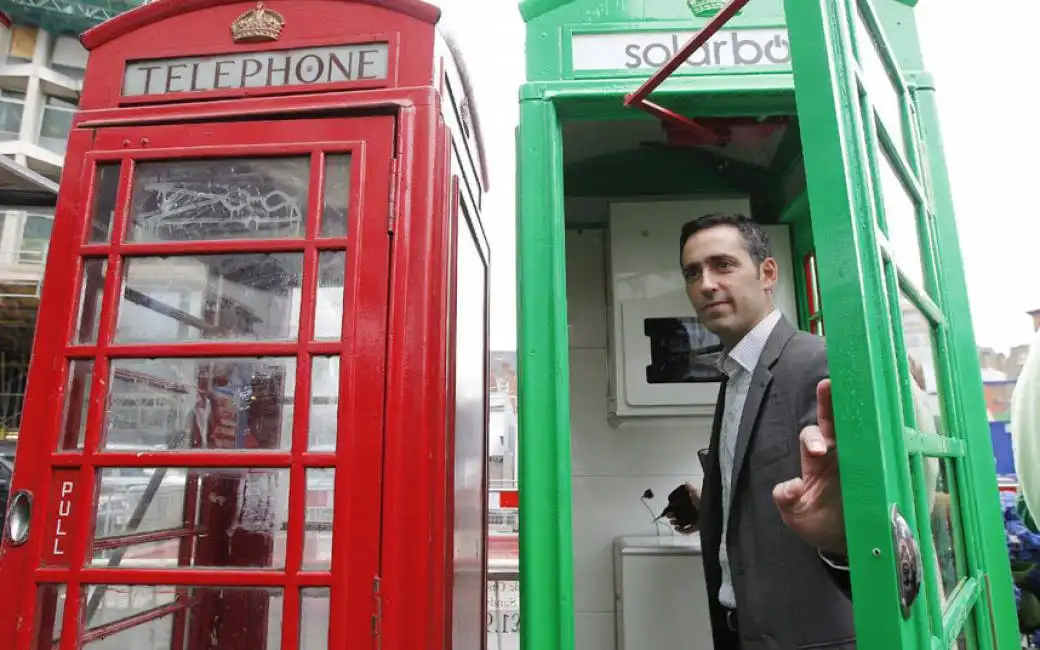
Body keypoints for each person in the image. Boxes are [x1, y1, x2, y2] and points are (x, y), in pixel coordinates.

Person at [667, 213, 853, 649]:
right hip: (743, 628)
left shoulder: (817, 364)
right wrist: (709, 502)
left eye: (723, 265)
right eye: (693, 273)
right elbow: (767, 479)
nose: (706, 284)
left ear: (767, 273)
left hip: (812, 637)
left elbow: (852, 510)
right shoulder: (736, 371)